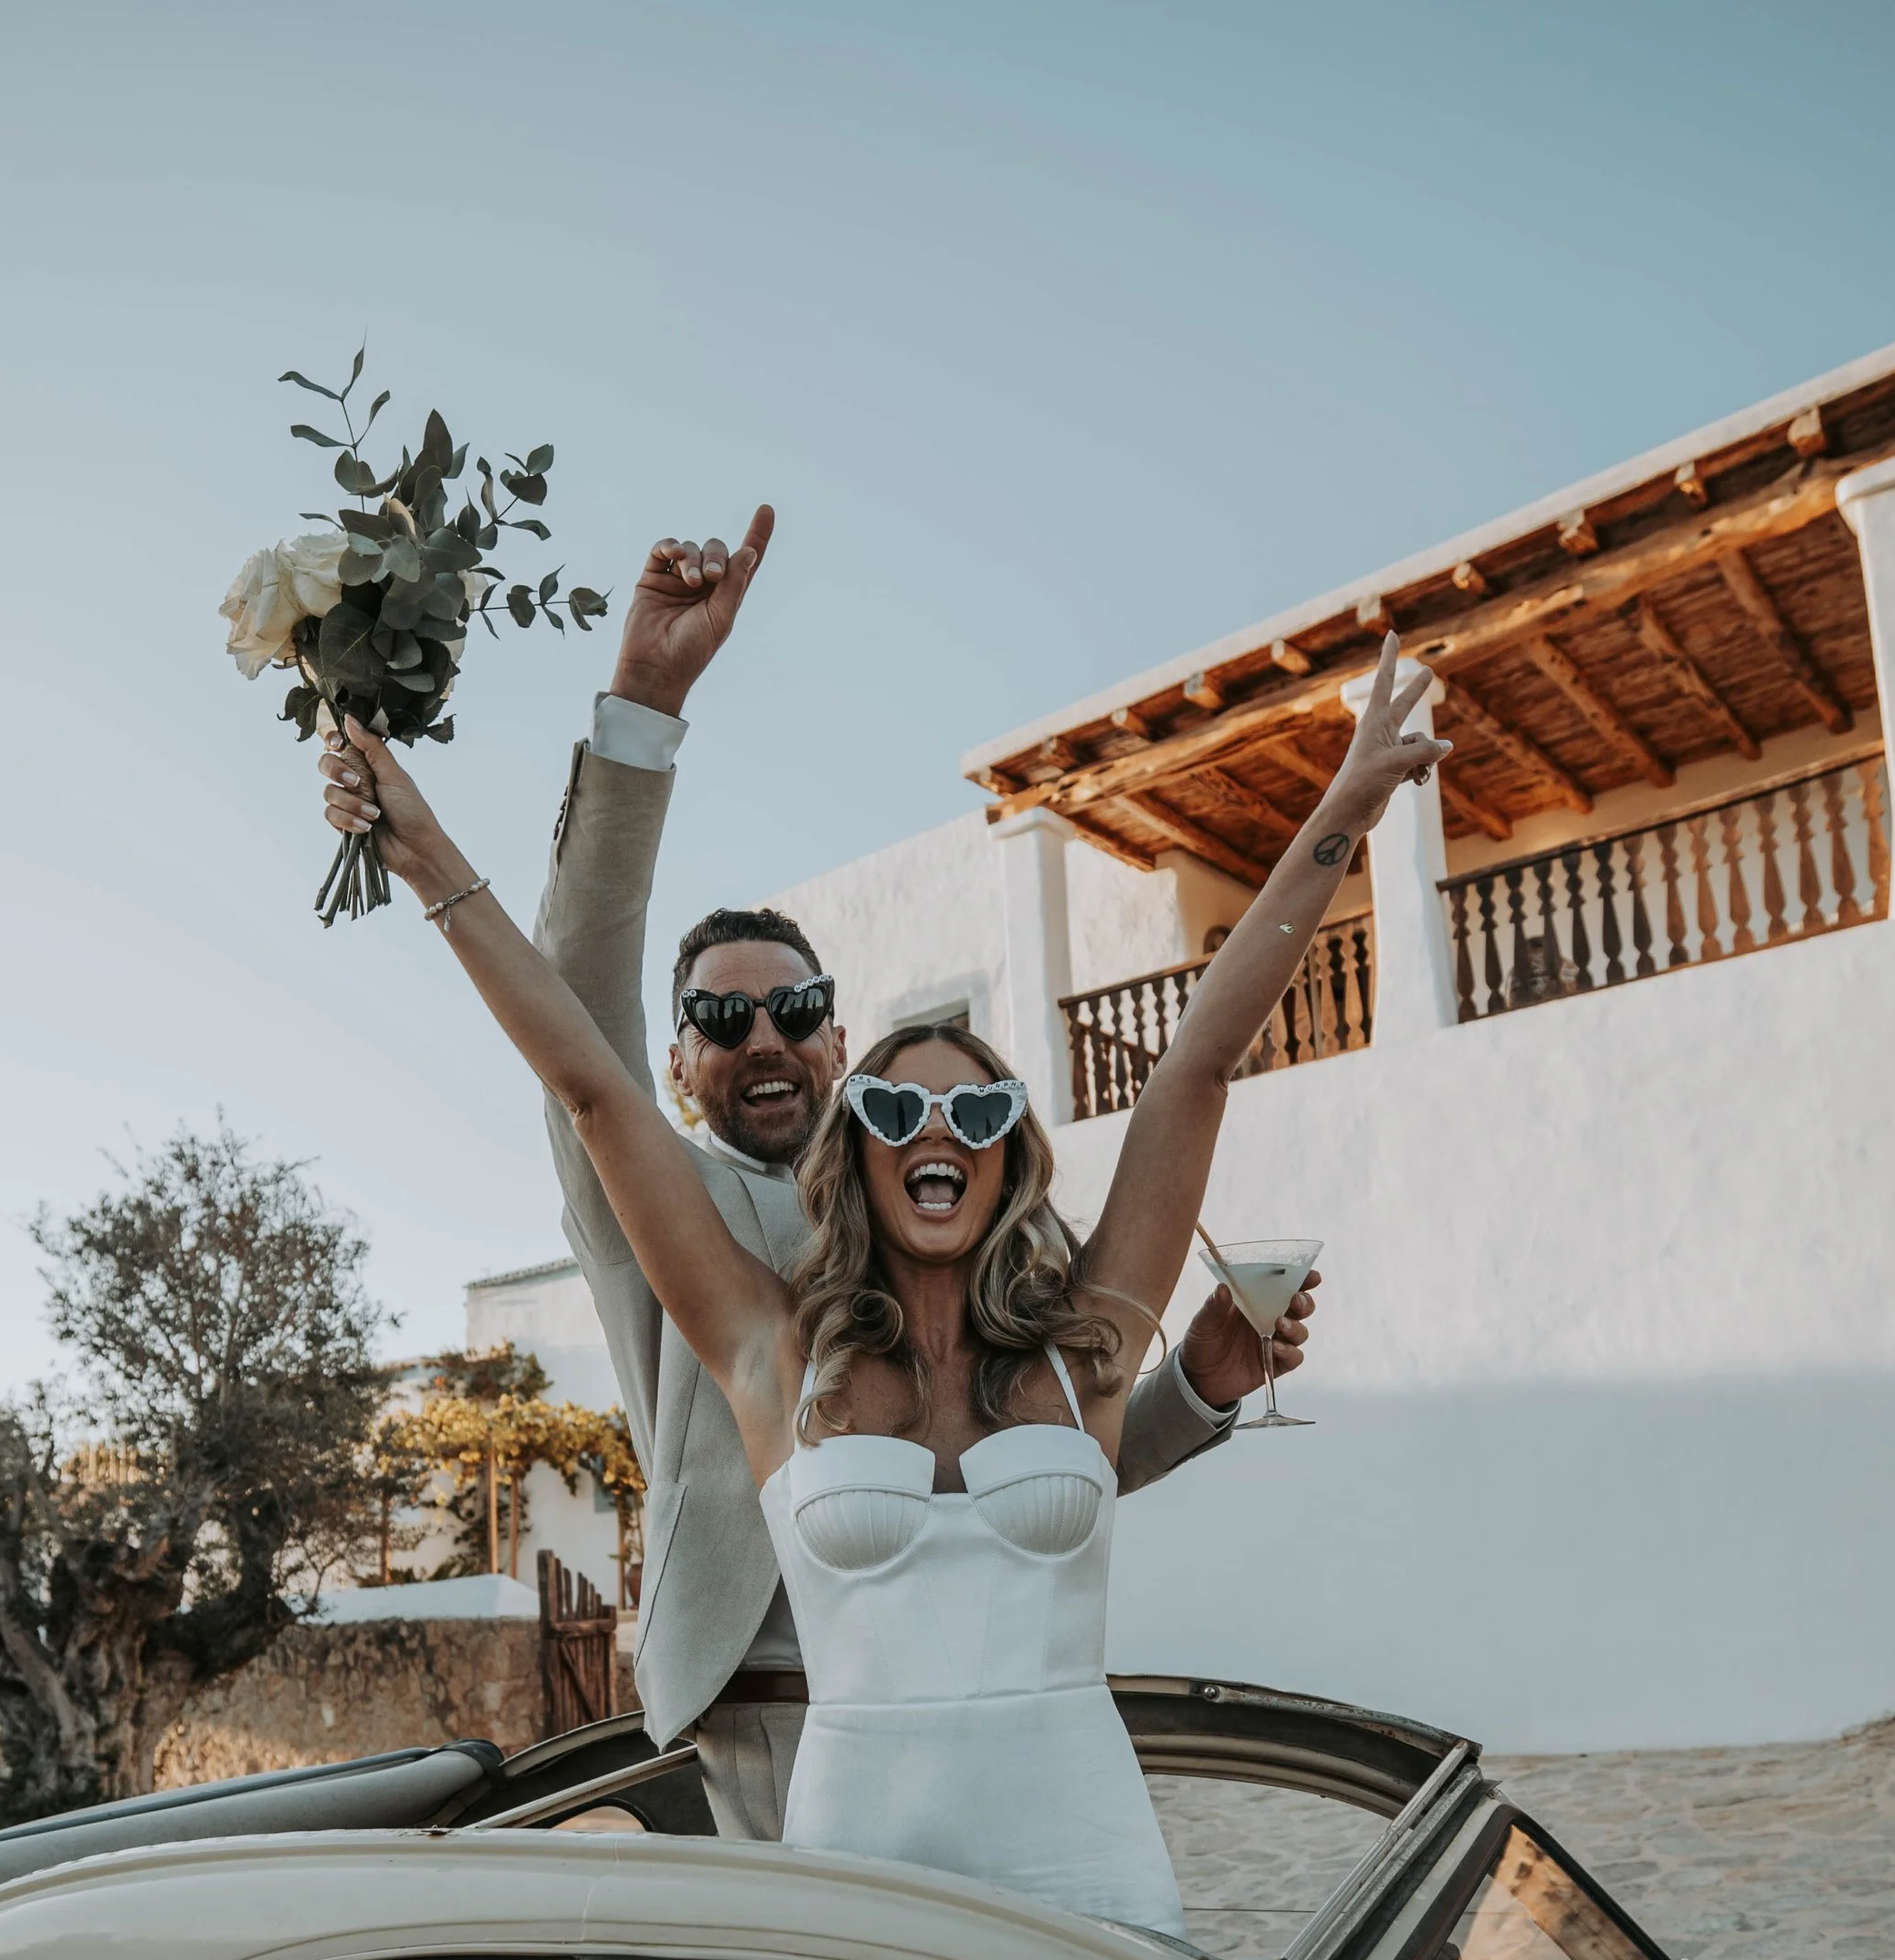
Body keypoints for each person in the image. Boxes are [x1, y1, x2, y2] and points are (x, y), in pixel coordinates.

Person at [316, 594, 1447, 1960]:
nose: (932, 1135)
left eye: (973, 1107)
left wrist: (1341, 801)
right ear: (852, 1154)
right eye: (895, 1114)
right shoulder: (757, 1346)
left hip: (1086, 1885)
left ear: (1014, 1148)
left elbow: (1198, 1052)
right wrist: (422, 832)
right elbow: (571, 1058)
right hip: (861, 1900)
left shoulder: (1078, 1347)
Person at [517, 507, 1314, 1840]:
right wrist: (644, 704)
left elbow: (1055, 1456)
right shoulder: (657, 1208)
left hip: (984, 1716)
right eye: (722, 1021)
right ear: (675, 1067)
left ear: (842, 1035)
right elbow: (576, 998)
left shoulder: (970, 1211)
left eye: (793, 1009)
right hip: (765, 1733)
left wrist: (1203, 1384)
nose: (761, 1037)